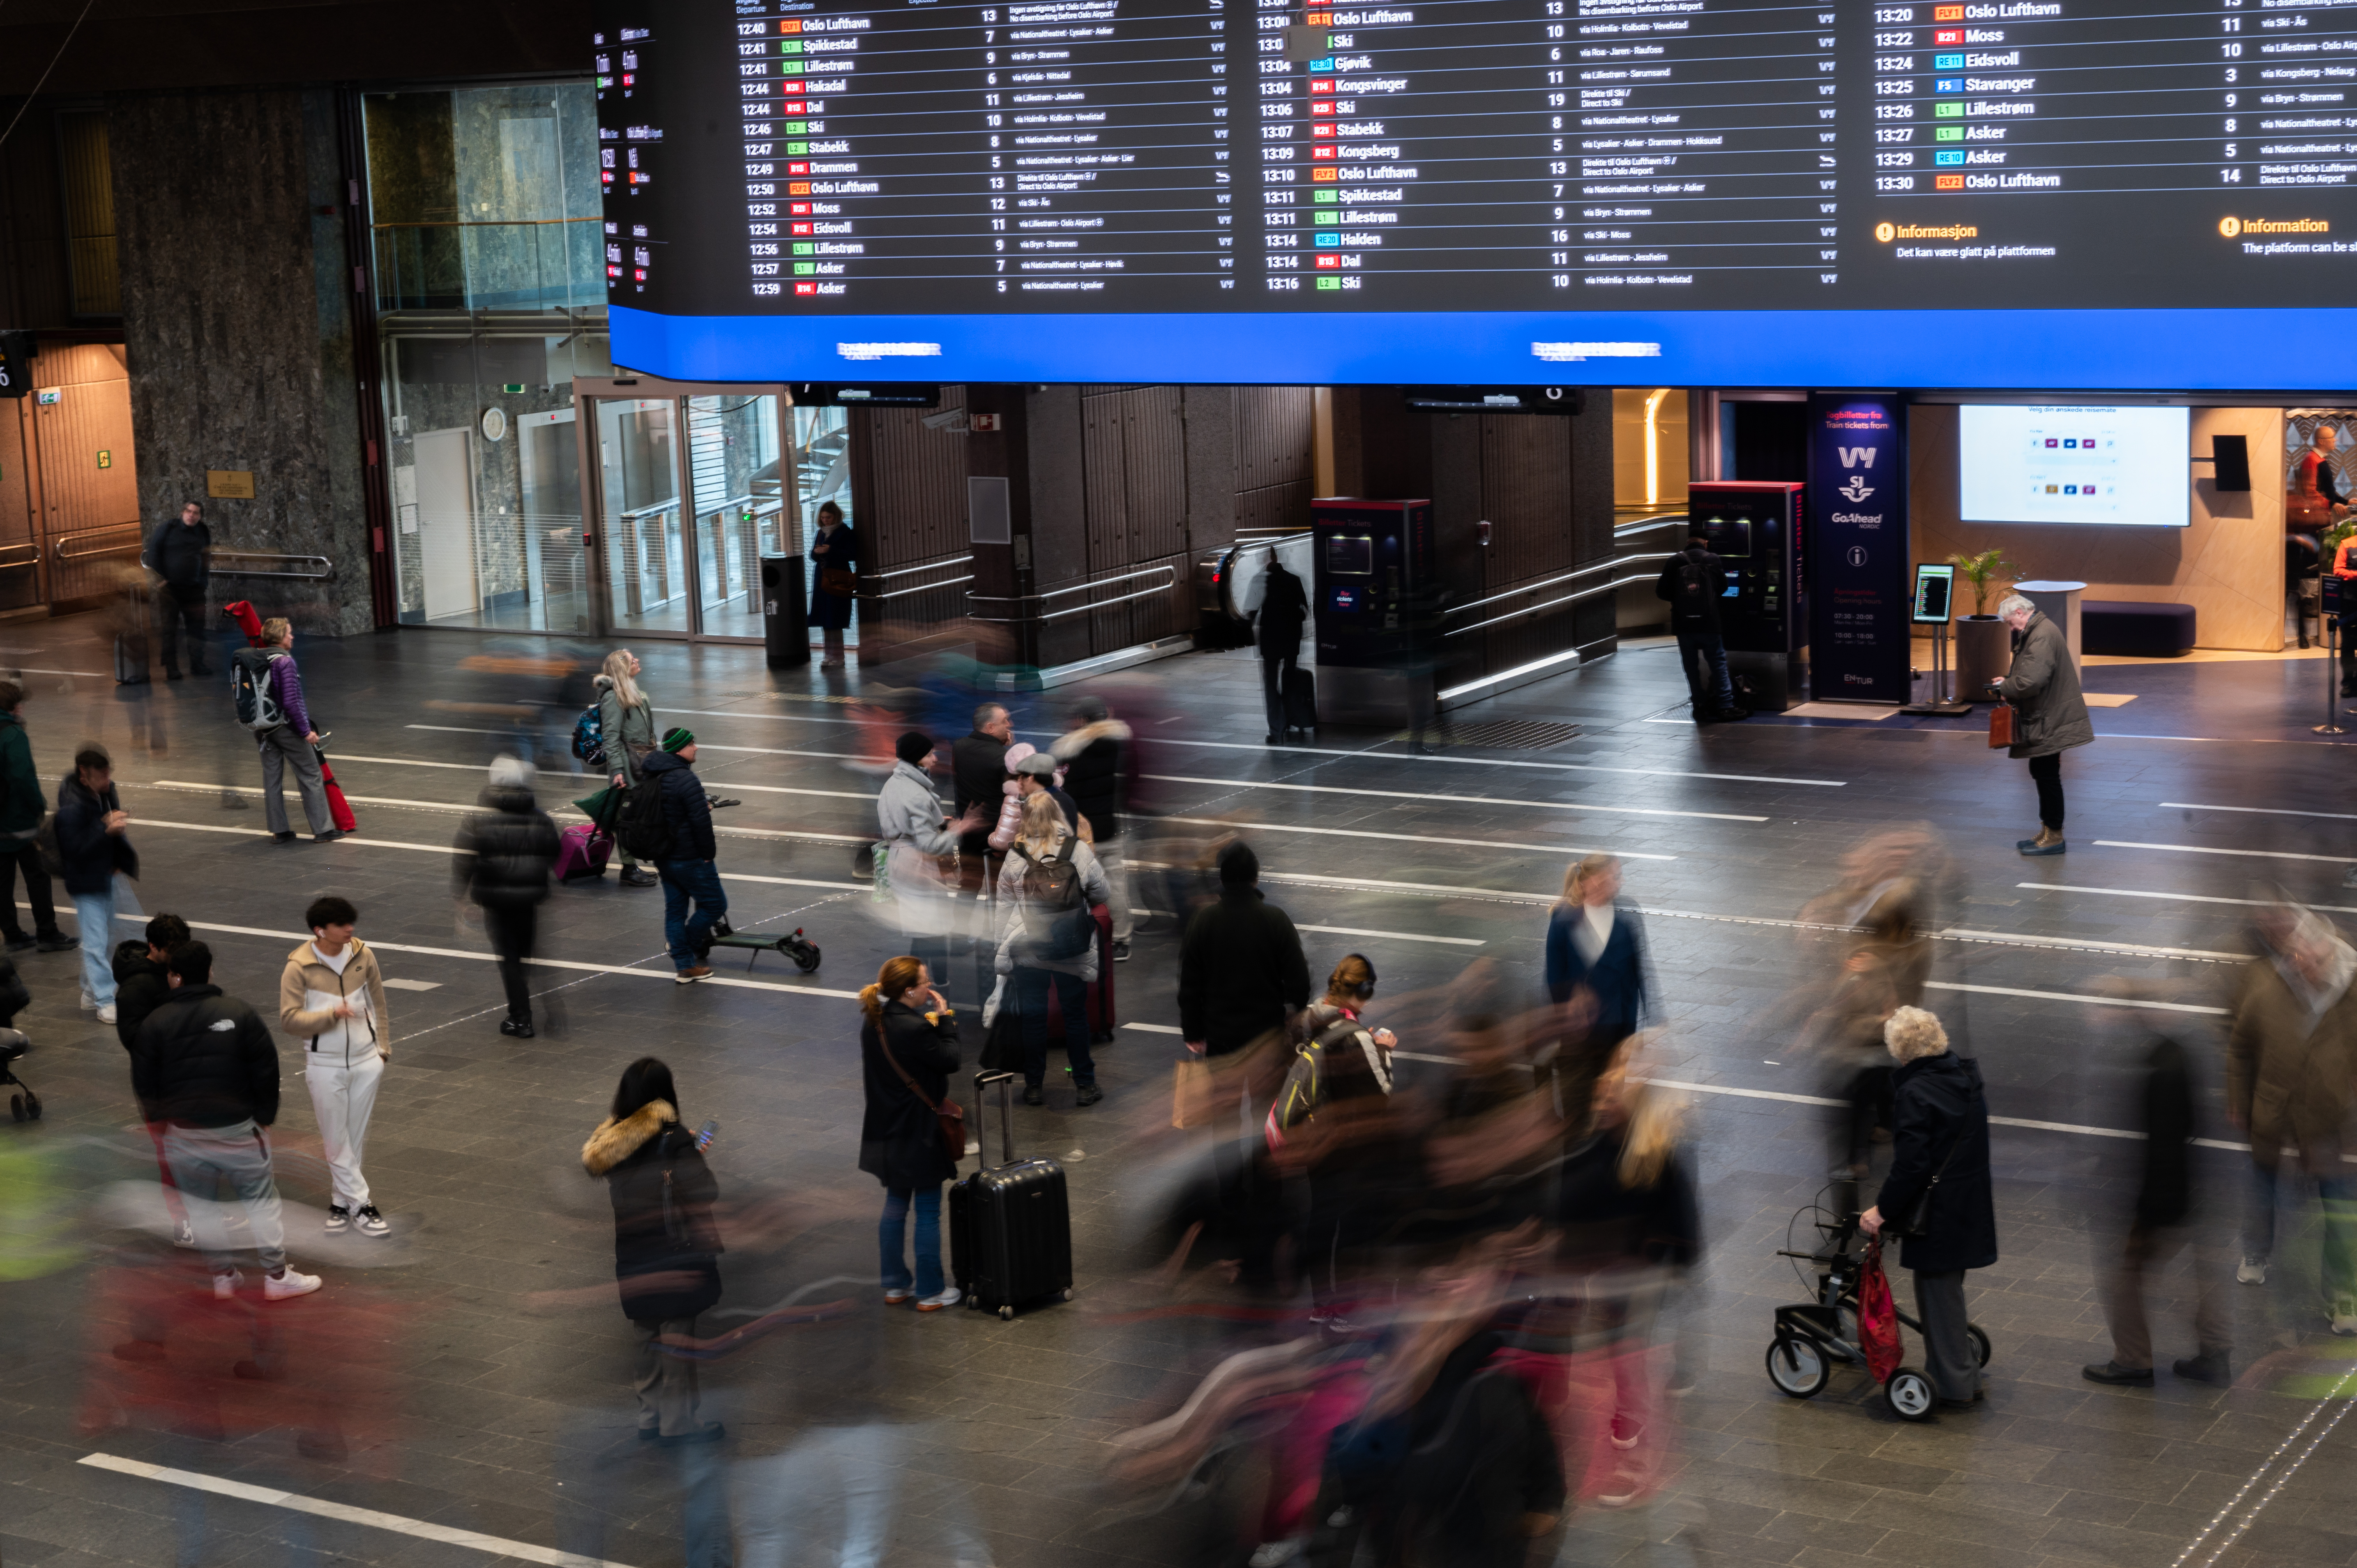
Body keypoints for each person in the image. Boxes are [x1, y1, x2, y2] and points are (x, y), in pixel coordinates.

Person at [131, 939, 322, 1300]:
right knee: (261, 1203)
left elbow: (144, 1080)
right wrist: (264, 1117)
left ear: (175, 977)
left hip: (184, 1134)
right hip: (238, 1131)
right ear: (211, 971)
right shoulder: (240, 1013)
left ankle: (223, 1276)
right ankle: (276, 1277)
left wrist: (160, 1122)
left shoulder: (155, 1023)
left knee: (201, 1209)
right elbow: (266, 1068)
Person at [2225, 910, 2357, 1333]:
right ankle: (2256, 1251)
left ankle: (2341, 1294)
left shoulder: (2352, 993)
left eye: (2313, 959)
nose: (2303, 966)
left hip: (2328, 1117)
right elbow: (2240, 1046)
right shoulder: (2268, 987)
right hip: (2274, 1107)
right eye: (2298, 956)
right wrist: (2238, 1099)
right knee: (2264, 1181)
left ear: (2332, 956)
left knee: (2338, 1205)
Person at [581, 1057, 724, 1443]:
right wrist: (692, 1153)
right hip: (676, 1251)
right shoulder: (675, 1140)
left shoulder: (612, 1144)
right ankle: (679, 1424)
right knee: (677, 1335)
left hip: (633, 1250)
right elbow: (705, 1192)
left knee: (645, 1332)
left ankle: (649, 1416)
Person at [1860, 1006, 1997, 1410]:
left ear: (1901, 1051)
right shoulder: (1965, 1078)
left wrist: (1882, 1210)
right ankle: (1963, 1373)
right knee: (1946, 1292)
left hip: (1938, 1212)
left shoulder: (1915, 1092)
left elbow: (1911, 1165)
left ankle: (1954, 1384)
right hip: (1968, 1204)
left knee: (1937, 1295)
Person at [2083, 1021, 2233, 1387]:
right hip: (2194, 1191)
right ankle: (2215, 1353)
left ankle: (2133, 1360)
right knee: (2200, 1273)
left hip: (2164, 1199)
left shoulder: (2159, 1075)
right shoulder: (2180, 1059)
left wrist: (2149, 1211)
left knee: (2126, 1277)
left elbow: (2159, 1150)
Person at [280, 895, 392, 1238]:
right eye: (342, 925)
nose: (350, 929)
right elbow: (289, 1020)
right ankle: (363, 1205)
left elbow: (379, 1001)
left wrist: (382, 1049)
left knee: (353, 1137)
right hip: (324, 1065)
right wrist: (331, 1015)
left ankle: (341, 1204)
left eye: (350, 923)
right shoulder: (298, 967)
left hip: (366, 1061)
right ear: (320, 931)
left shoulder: (363, 954)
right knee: (336, 1139)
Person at [857, 955, 964, 1310]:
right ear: (908, 991)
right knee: (929, 1209)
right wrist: (946, 1020)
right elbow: (951, 1059)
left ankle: (895, 1285)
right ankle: (931, 1290)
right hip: (919, 1129)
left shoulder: (874, 1023)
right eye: (924, 982)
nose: (929, 986)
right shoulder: (916, 1028)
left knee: (895, 1206)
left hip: (885, 1129)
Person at [994, 789, 1112, 1107]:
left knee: (1034, 1019)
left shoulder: (1016, 855)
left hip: (1031, 947)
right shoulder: (1076, 850)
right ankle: (1085, 1085)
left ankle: (1034, 1086)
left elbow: (1003, 906)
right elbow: (1102, 891)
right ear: (1057, 815)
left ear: (1026, 819)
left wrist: (999, 945)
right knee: (1075, 1016)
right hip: (1070, 946)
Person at [454, 756, 561, 1038]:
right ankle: (542, 1008)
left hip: (495, 899)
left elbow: (464, 858)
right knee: (525, 953)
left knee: (509, 958)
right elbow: (555, 851)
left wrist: (459, 895)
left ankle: (520, 1018)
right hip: (530, 899)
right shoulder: (538, 816)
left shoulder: (478, 818)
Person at [1177, 841, 1311, 1059]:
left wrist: (1193, 1031)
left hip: (1220, 1034)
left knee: (1225, 1094)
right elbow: (1299, 979)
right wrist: (1296, 1010)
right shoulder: (1276, 919)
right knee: (1270, 1095)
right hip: (1268, 1034)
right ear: (1256, 880)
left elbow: (1190, 983)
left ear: (1221, 880)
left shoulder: (1204, 920)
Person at [877, 730, 984, 996]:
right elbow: (930, 846)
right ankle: (932, 990)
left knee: (924, 933)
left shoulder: (894, 783)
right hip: (917, 865)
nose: (935, 759)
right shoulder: (917, 794)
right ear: (917, 759)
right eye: (929, 754)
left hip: (900, 860)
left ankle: (915, 988)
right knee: (933, 934)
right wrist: (960, 829)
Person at [1995, 593, 2093, 857]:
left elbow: (2032, 681)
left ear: (2019, 613)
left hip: (2050, 719)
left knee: (2047, 775)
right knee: (2042, 771)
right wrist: (2007, 680)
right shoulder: (2039, 631)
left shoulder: (2041, 635)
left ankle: (2054, 837)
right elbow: (2030, 673)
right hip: (2048, 717)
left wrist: (2005, 687)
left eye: (2009, 622)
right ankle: (2048, 831)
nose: (2011, 628)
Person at [1265, 954, 1397, 1142]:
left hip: (1307, 1126)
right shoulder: (1357, 1036)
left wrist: (1357, 1046)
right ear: (1364, 991)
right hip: (1337, 1138)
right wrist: (1382, 1050)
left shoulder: (1305, 1018)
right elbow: (1382, 1093)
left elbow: (1294, 1057)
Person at [56, 745, 138, 1024]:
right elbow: (75, 850)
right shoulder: (71, 806)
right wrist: (107, 831)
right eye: (101, 777)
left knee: (103, 937)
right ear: (84, 775)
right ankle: (105, 999)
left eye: (108, 775)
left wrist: (116, 852)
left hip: (104, 874)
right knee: (95, 942)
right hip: (85, 880)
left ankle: (91, 992)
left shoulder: (105, 790)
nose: (108, 782)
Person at [640, 728, 728, 984]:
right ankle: (682, 947)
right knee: (715, 905)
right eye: (692, 744)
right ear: (680, 749)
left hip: (664, 855)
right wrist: (708, 854)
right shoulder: (686, 779)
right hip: (690, 857)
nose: (696, 748)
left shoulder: (652, 775)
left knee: (676, 910)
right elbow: (699, 823)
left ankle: (685, 968)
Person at [1051, 696, 1134, 961]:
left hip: (1083, 832)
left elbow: (1063, 789)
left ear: (1083, 720)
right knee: (1117, 884)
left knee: (1082, 885)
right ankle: (1122, 938)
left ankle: (1087, 935)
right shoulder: (1114, 744)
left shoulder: (1070, 751)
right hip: (1109, 826)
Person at [0, 679, 71, 954]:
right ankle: (48, 933)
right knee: (38, 875)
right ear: (16, 707)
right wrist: (38, 806)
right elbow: (23, 777)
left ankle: (13, 934)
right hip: (18, 821)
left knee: (3, 882)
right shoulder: (13, 735)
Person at [253, 617, 339, 844]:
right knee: (311, 774)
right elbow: (291, 702)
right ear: (280, 638)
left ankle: (279, 831)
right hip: (285, 728)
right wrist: (305, 732)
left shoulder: (259, 658)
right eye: (289, 633)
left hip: (263, 728)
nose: (292, 637)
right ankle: (323, 829)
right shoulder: (285, 662)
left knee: (272, 778)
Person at [1656, 534, 1746, 725]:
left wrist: (1681, 601)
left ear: (1688, 542)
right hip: (1709, 623)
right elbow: (1723, 587)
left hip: (1683, 623)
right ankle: (1726, 707)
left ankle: (1699, 706)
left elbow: (1661, 592)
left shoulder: (1675, 560)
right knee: (1718, 664)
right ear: (1705, 542)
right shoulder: (1712, 559)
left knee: (1691, 667)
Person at [597, 648, 661, 887]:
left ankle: (633, 864)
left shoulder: (633, 691)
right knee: (626, 818)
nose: (637, 660)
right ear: (622, 667)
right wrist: (617, 771)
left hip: (641, 761)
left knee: (636, 814)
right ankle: (628, 868)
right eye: (631, 659)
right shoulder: (614, 697)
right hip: (627, 766)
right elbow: (611, 738)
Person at [143, 499, 213, 681]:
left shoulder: (203, 531)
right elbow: (153, 553)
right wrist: (160, 580)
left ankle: (197, 664)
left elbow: (206, 556)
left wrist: (203, 581)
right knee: (169, 631)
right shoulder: (168, 529)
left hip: (194, 589)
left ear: (200, 516)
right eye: (189, 511)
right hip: (170, 591)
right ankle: (172, 669)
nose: (192, 515)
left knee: (196, 629)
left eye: (196, 513)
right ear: (183, 512)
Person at [113, 912, 190, 1050]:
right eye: (171, 952)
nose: (178, 956)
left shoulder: (176, 967)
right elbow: (133, 1038)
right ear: (154, 947)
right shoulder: (134, 987)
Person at [1258, 556, 1309, 744]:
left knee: (1271, 685)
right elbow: (1305, 607)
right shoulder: (1294, 579)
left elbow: (1251, 609)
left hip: (1271, 640)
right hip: (1291, 638)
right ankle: (1294, 721)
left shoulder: (1263, 581)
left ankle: (1277, 730)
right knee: (1290, 679)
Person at [808, 500, 858, 667]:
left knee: (834, 619)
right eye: (823, 518)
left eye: (828, 518)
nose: (825, 521)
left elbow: (852, 554)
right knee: (825, 619)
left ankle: (838, 657)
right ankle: (828, 655)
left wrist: (830, 550)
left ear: (836, 516)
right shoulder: (821, 533)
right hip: (822, 579)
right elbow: (814, 556)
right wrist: (816, 552)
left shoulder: (845, 533)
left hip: (837, 578)